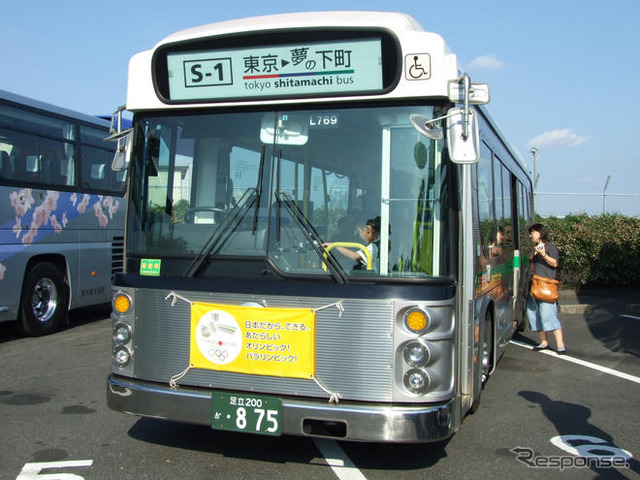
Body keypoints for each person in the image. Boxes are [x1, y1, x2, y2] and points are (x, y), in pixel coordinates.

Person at [527, 223, 566, 355]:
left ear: (540, 233)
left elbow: (554, 263)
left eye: (532, 232)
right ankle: (544, 342)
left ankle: (560, 345)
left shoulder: (550, 247)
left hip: (546, 286)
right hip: (534, 286)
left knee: (548, 314)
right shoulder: (534, 249)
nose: (530, 235)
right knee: (535, 315)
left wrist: (543, 254)